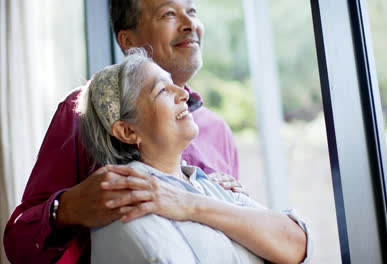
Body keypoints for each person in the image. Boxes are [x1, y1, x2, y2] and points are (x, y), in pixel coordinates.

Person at [3, 0, 247, 263]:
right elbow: (19, 244)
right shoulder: (84, 113)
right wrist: (70, 207)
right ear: (129, 41)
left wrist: (231, 205)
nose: (190, 25)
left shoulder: (218, 131)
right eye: (168, 14)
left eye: (192, 12)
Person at [78, 49, 311, 264]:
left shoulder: (208, 184)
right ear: (128, 131)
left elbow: (297, 244)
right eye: (162, 90)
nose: (183, 93)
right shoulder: (130, 198)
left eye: (174, 84)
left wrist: (191, 204)